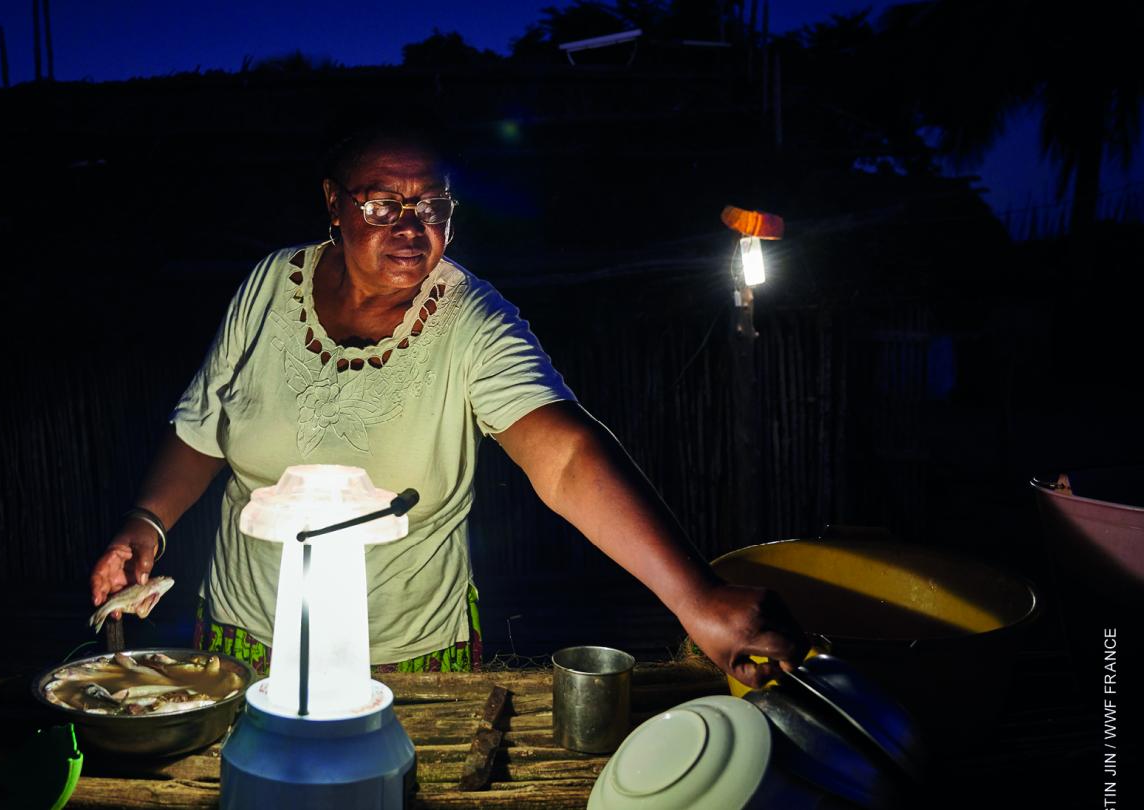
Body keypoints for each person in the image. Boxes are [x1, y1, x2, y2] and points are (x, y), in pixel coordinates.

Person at [90, 123, 806, 687]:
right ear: (334, 204)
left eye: (432, 206)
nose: (410, 226)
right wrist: (145, 523)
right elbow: (203, 427)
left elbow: (564, 456)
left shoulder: (472, 322)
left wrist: (697, 598)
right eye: (381, 203)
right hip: (244, 635)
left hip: (404, 654)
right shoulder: (270, 286)